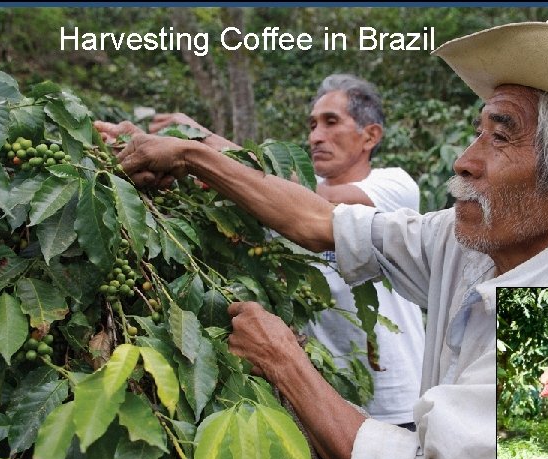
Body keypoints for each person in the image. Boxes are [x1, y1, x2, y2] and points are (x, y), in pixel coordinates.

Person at [105, 7, 548, 459]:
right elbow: (321, 223)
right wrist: (192, 157)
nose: (464, 162)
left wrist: (282, 358)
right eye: (478, 133)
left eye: (500, 136)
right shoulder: (469, 243)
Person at [98, 75, 426, 430]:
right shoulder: (274, 207)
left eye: (331, 122)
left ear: (370, 136)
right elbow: (247, 190)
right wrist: (139, 151)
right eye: (313, 125)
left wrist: (195, 140)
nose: (316, 136)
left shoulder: (394, 186)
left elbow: (311, 204)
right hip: (328, 405)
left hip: (402, 404)